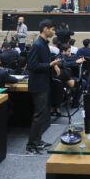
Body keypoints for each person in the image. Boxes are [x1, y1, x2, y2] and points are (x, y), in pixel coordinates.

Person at [26, 20, 60, 154]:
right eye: (52, 29)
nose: (54, 32)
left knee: (43, 115)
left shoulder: (44, 44)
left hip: (44, 84)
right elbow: (32, 65)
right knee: (39, 115)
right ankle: (31, 144)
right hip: (38, 85)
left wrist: (54, 64)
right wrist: (50, 65)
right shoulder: (38, 45)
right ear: (45, 29)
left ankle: (38, 141)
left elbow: (45, 60)